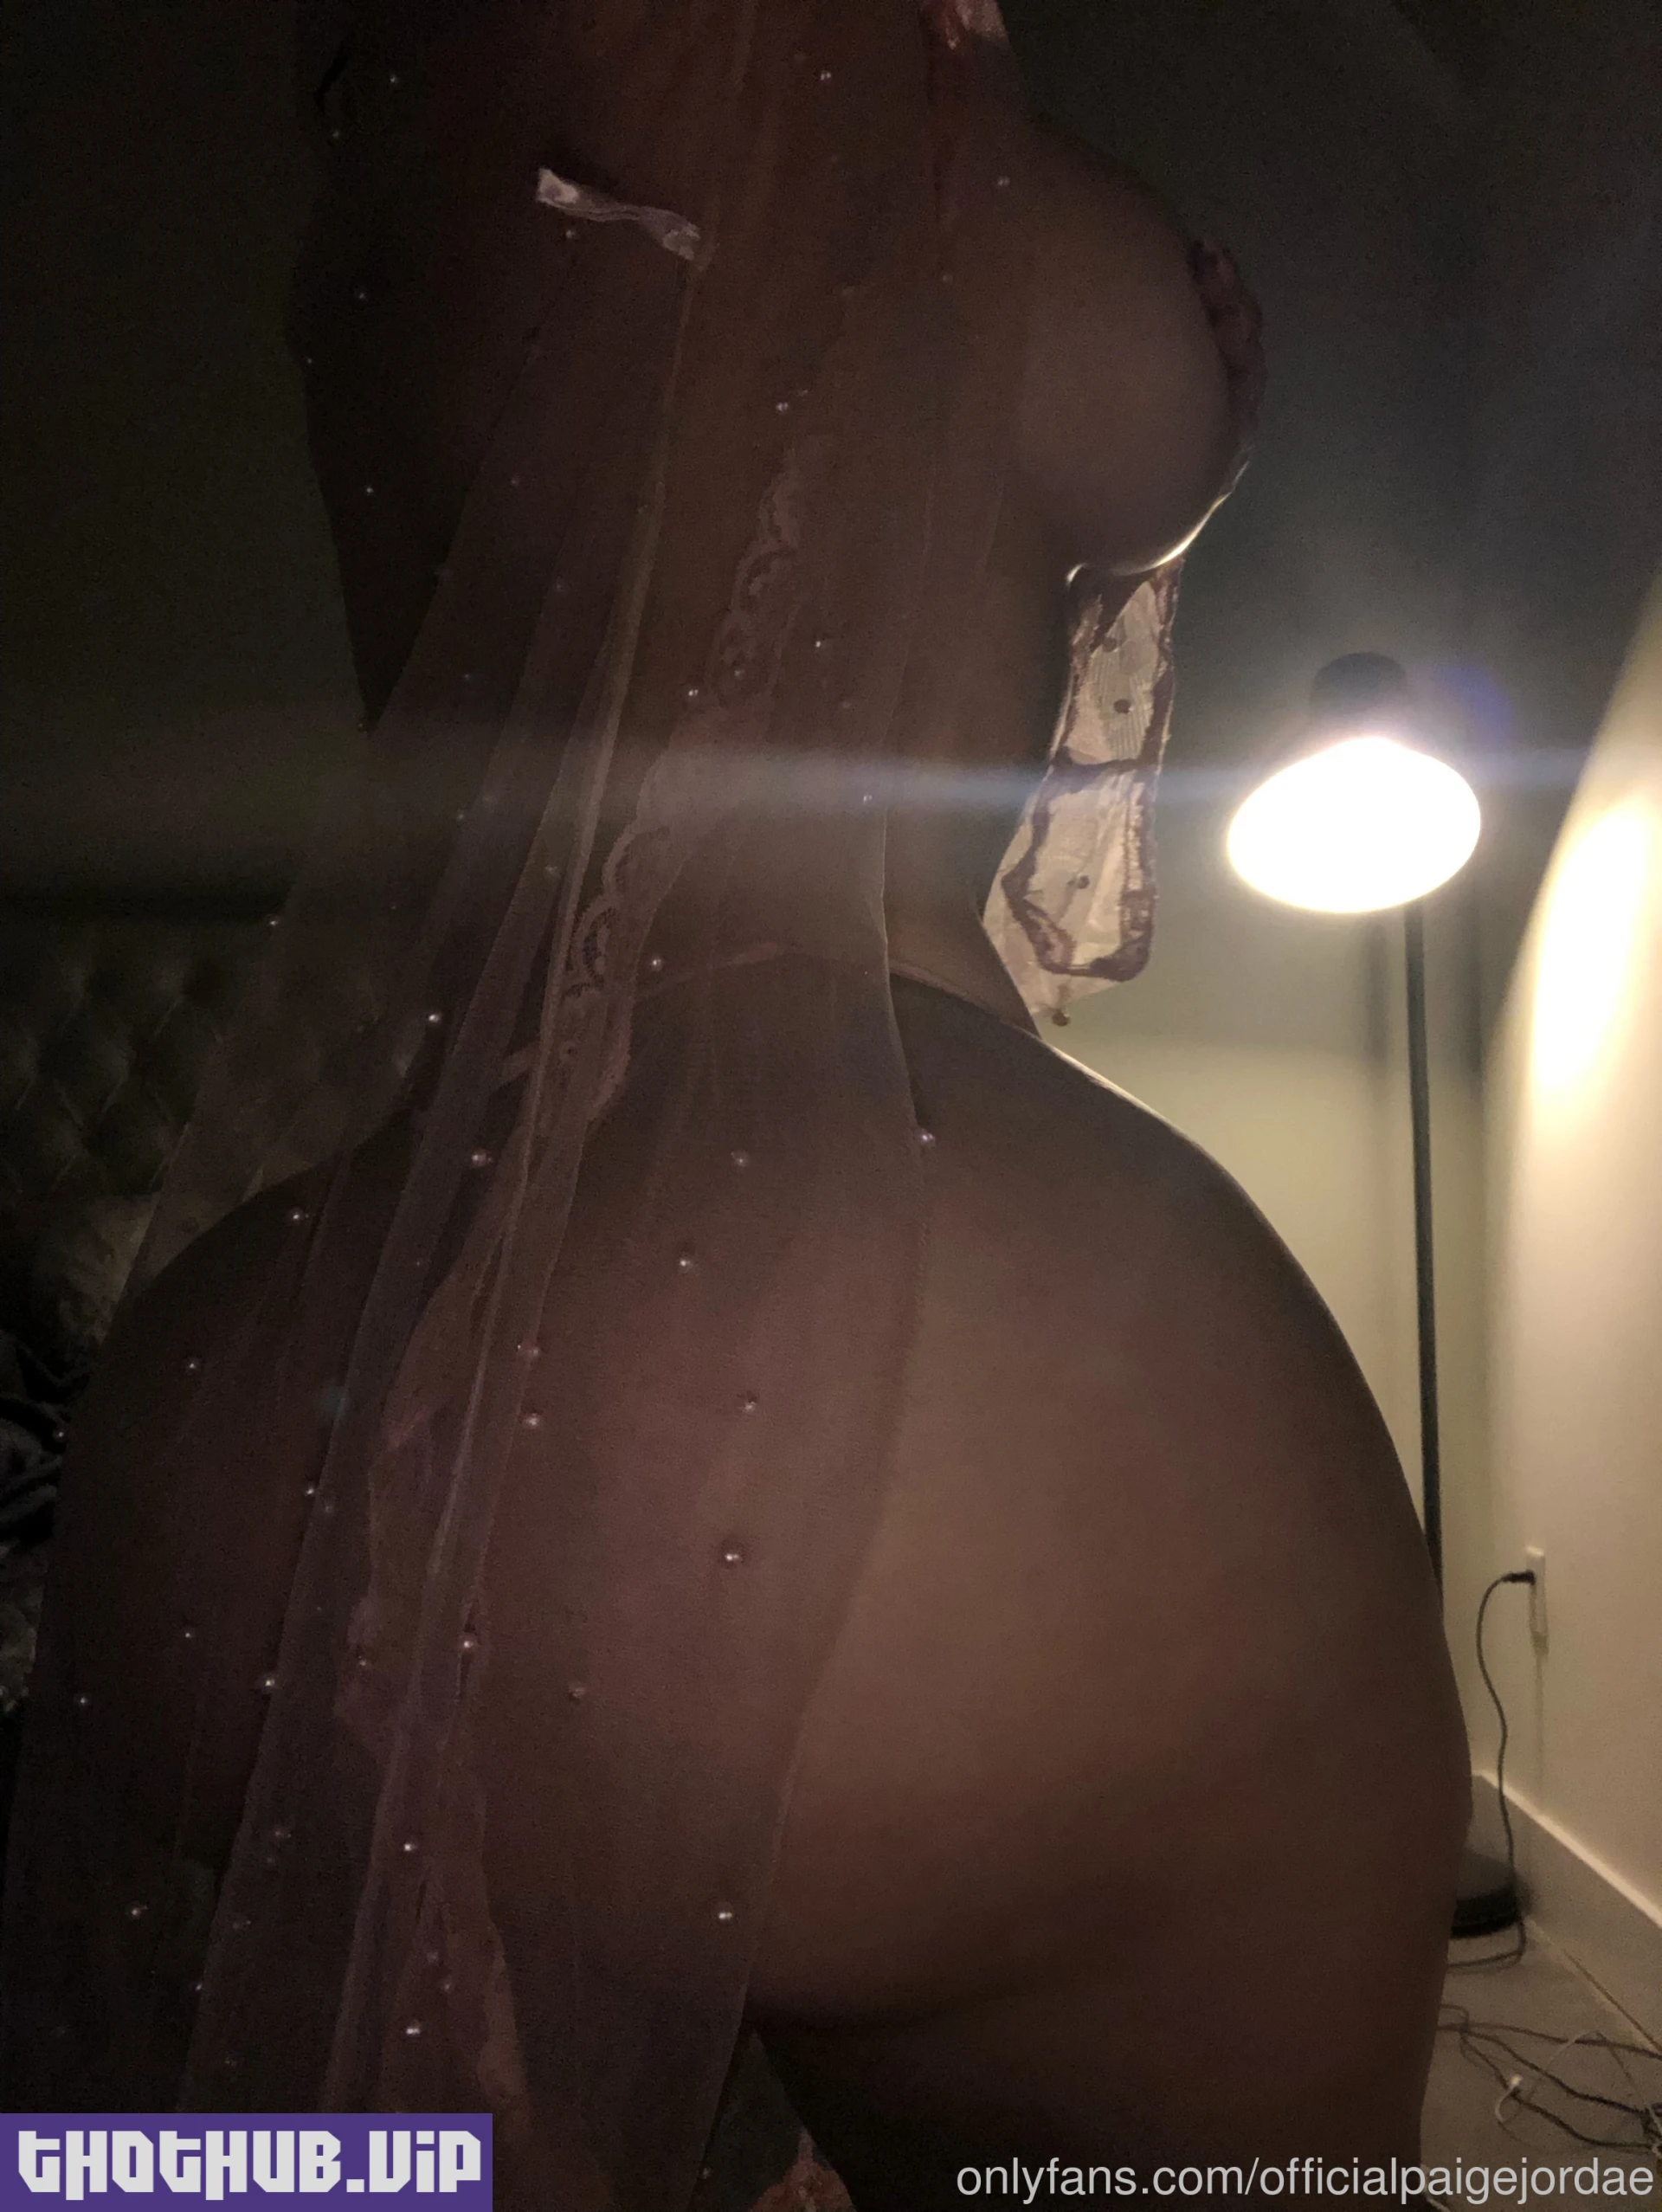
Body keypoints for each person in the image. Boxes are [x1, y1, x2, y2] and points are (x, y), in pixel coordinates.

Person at [0, 2, 1467, 2203]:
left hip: (281, 1403)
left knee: (290, 2153)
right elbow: (1124, 400)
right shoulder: (946, 126)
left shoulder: (403, 142)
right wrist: (1200, 398)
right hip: (987, 1410)